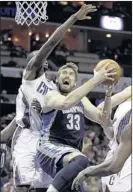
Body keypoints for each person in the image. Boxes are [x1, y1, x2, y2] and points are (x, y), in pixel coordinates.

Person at [1, 4, 98, 192]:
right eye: (35, 56)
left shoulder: (52, 87)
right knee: (25, 186)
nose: (39, 57)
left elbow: (23, 116)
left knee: (52, 186)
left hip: (49, 139)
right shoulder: (30, 77)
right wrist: (73, 19)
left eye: (39, 56)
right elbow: (51, 43)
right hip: (28, 139)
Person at [35, 60, 118, 192]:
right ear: (57, 79)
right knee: (81, 160)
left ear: (74, 83)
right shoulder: (51, 95)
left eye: (71, 74)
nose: (67, 75)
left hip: (70, 156)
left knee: (76, 187)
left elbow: (102, 118)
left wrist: (108, 93)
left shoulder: (81, 100)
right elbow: (65, 103)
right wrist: (96, 79)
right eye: (64, 73)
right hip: (50, 146)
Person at [72, 86, 131, 192]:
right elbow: (110, 132)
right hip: (116, 152)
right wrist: (108, 94)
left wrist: (89, 171)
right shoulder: (129, 93)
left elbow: (114, 167)